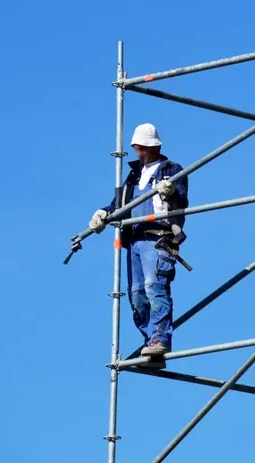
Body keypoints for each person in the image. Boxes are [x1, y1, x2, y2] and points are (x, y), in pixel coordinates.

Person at [88, 123, 189, 358]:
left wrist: (171, 192)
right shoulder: (134, 175)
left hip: (157, 238)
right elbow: (120, 205)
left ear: (155, 147)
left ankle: (160, 338)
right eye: (137, 147)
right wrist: (104, 213)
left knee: (155, 287)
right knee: (137, 295)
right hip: (134, 241)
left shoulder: (171, 170)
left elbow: (181, 200)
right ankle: (151, 342)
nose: (139, 152)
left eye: (142, 147)